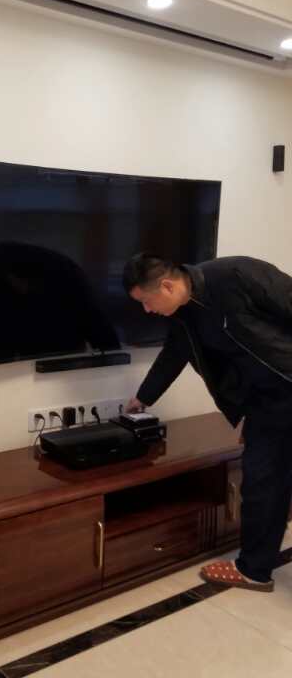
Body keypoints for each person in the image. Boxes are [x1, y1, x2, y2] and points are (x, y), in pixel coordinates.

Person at [123, 253, 292, 592]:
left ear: (167, 286)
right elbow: (172, 356)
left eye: (146, 301)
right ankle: (254, 570)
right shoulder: (182, 317)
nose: (147, 310)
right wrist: (143, 398)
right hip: (265, 404)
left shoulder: (236, 274)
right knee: (261, 482)